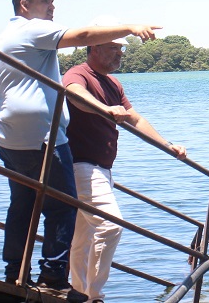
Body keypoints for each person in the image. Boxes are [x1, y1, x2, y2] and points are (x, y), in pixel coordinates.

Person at [0, 0, 160, 302]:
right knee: (62, 207)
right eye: (45, 1)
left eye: (52, 1)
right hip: (42, 138)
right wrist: (130, 26)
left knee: (23, 205)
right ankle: (54, 277)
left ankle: (16, 272)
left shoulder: (7, 36)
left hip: (9, 137)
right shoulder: (32, 29)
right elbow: (82, 36)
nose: (51, 8)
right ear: (24, 5)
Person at [62, 17, 186, 303]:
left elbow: (135, 119)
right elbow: (74, 95)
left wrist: (168, 145)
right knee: (110, 225)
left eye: (122, 50)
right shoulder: (79, 74)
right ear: (93, 47)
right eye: (113, 48)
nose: (119, 54)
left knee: (83, 236)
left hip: (101, 170)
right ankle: (94, 296)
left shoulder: (112, 83)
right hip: (82, 166)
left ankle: (78, 291)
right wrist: (106, 110)